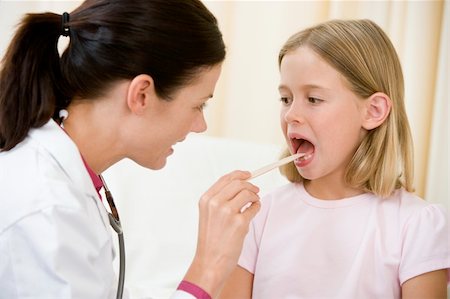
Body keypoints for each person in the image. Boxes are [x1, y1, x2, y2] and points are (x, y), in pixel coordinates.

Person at [0, 1, 261, 298]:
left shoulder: (64, 181)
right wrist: (209, 268)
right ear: (141, 95)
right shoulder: (45, 209)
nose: (200, 125)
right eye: (197, 104)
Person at [219, 19, 449, 299]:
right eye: (286, 99)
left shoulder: (417, 225)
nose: (291, 114)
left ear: (373, 111)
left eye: (313, 99)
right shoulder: (259, 217)